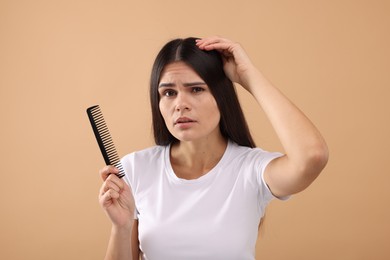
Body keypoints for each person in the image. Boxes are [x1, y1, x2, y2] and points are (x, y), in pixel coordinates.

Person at [98, 36, 329, 260]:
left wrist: (248, 77)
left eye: (196, 89)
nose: (180, 105)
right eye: (169, 93)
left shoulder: (251, 170)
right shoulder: (135, 169)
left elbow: (312, 156)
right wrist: (121, 227)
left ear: (221, 96)